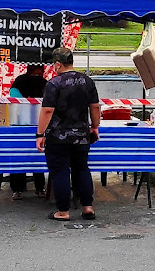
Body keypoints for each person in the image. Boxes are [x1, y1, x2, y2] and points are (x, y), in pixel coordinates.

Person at [36, 48, 100, 221]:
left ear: (58, 64)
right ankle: (87, 206)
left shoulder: (54, 83)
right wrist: (95, 126)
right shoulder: (87, 81)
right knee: (82, 169)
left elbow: (48, 111)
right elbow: (95, 106)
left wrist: (40, 134)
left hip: (58, 136)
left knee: (60, 171)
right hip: (81, 135)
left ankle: (63, 211)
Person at [9, 65, 47, 200]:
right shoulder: (23, 81)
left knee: (29, 156)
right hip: (27, 123)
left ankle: (31, 188)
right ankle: (24, 188)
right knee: (27, 155)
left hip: (30, 123)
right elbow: (14, 96)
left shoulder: (43, 83)